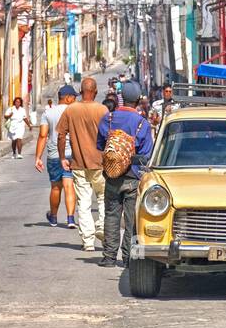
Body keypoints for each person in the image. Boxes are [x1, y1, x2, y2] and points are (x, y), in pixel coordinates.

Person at [95, 81, 154, 268]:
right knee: (132, 219)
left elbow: (100, 145)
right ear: (137, 100)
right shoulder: (142, 123)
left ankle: (109, 257)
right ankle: (128, 258)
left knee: (111, 215)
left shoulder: (109, 118)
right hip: (133, 176)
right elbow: (146, 154)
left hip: (112, 175)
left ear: (121, 98)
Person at [58, 76, 111, 251]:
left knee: (84, 202)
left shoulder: (71, 110)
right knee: (103, 198)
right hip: (101, 163)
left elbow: (61, 135)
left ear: (81, 92)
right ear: (95, 92)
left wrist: (62, 158)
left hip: (79, 163)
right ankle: (102, 228)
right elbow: (109, 136)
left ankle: (88, 241)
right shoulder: (103, 110)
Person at [36, 86, 77, 228]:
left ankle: (53, 217)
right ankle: (70, 218)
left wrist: (38, 157)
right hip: (71, 155)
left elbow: (42, 135)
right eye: (74, 97)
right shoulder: (74, 112)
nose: (75, 100)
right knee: (69, 185)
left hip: (53, 155)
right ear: (68, 98)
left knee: (55, 188)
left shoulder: (48, 112)